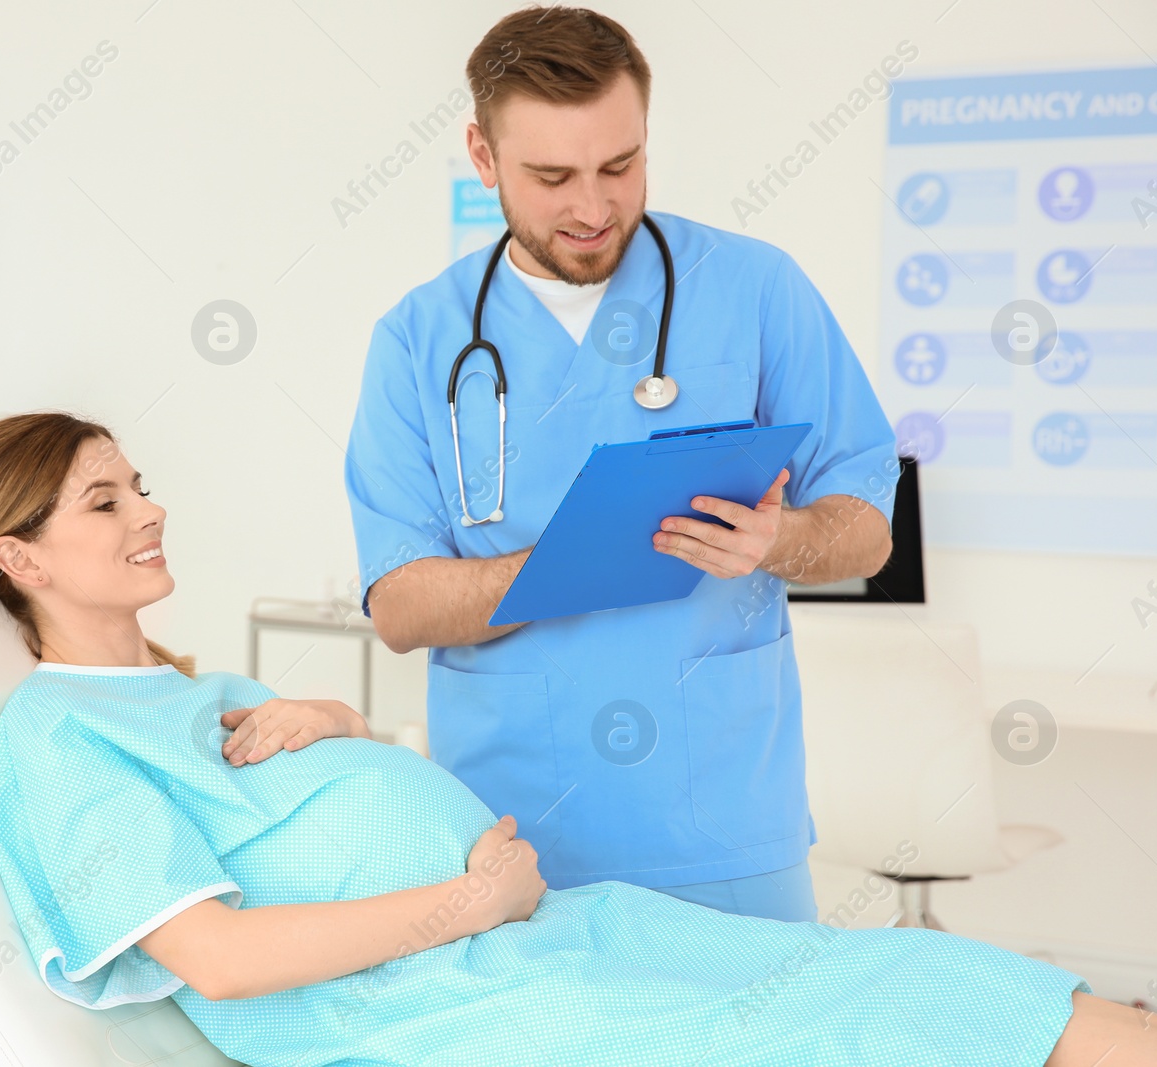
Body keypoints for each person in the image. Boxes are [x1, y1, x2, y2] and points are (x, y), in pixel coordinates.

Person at [0, 411, 1157, 1067]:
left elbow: (296, 801)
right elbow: (215, 960)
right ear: (21, 555)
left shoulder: (181, 689)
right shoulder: (57, 742)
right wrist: (466, 903)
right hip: (456, 1006)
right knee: (869, 1024)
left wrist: (340, 724)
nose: (151, 507)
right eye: (105, 499)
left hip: (555, 935)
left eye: (140, 481)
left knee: (947, 984)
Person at [344, 6, 898, 924]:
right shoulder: (417, 340)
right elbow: (400, 606)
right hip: (512, 841)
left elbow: (866, 525)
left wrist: (779, 538)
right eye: (552, 176)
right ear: (482, 157)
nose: (594, 208)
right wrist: (573, 561)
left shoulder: (757, 290)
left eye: (619, 165)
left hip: (722, 821)